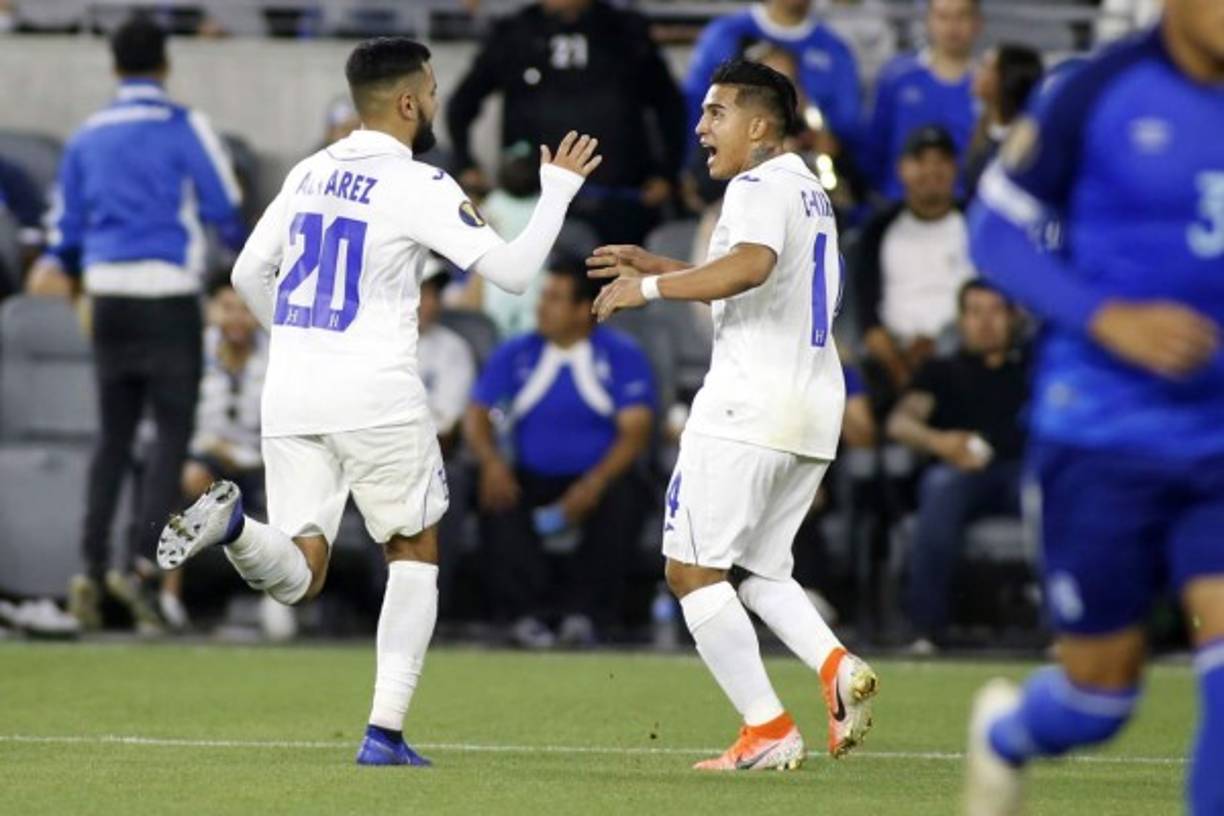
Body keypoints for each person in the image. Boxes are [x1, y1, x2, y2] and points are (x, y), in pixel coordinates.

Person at [155, 37, 602, 768]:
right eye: (428, 90)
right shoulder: (417, 183)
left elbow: (244, 271)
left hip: (292, 392)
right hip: (375, 395)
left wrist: (300, 339)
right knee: (414, 549)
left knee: (300, 574)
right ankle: (383, 733)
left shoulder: (308, 171)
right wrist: (556, 190)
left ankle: (235, 525)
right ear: (405, 102)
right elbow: (516, 271)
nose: (433, 101)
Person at [962, 3, 1224, 813]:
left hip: (1218, 439)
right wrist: (1110, 317)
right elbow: (996, 231)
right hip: (1102, 433)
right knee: (1100, 698)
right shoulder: (1096, 92)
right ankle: (1007, 735)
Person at [589, 58, 877, 770]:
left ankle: (767, 729)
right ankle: (836, 665)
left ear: (758, 125)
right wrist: (656, 264)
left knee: (691, 571)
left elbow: (748, 267)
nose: (701, 126)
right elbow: (755, 282)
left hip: (749, 403)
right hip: (810, 405)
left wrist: (648, 293)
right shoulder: (808, 189)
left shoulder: (754, 185)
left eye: (716, 113)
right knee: (758, 571)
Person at [26, 15, 246, 633]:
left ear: (115, 66)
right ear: (165, 64)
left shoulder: (87, 136)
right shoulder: (184, 126)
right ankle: (143, 568)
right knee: (170, 439)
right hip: (169, 294)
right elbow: (225, 209)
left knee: (113, 438)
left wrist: (70, 269)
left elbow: (62, 233)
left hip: (108, 298)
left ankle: (91, 568)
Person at [465, 257, 654, 648]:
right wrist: (491, 461)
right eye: (543, 296)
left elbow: (635, 432)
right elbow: (477, 413)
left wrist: (594, 483)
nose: (541, 307)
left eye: (554, 298)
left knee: (626, 494)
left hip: (597, 476)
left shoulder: (621, 354)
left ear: (584, 309)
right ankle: (524, 615)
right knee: (493, 492)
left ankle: (586, 616)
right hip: (531, 476)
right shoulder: (516, 352)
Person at [445, 0, 686, 245]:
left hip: (620, 200)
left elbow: (669, 106)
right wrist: (465, 165)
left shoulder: (625, 31)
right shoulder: (516, 33)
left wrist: (667, 173)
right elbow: (462, 103)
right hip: (532, 201)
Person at [886, 280, 1028, 653]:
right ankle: (925, 631)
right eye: (975, 311)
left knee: (1050, 490)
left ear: (1013, 318)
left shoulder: (1033, 369)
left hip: (1022, 472)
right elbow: (900, 422)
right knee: (940, 485)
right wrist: (941, 443)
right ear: (961, 319)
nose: (985, 322)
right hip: (962, 473)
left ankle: (1066, 632)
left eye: (996, 311)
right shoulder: (941, 370)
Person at [160, 272, 268, 631]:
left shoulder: (277, 352)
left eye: (245, 309)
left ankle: (276, 598)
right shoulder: (192, 351)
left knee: (290, 488)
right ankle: (169, 596)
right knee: (189, 477)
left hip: (261, 460)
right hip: (206, 455)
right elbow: (172, 415)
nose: (237, 318)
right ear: (211, 311)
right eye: (227, 308)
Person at [855, 126, 976, 400]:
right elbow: (867, 319)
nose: (931, 171)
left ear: (954, 168)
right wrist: (902, 374)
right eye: (920, 161)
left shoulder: (976, 225)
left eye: (941, 161)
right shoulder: (877, 230)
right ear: (902, 169)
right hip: (891, 364)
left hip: (965, 360)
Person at [683, 0, 862, 154]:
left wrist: (826, 142)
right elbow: (694, 109)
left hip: (809, 170)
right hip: (727, 173)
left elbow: (847, 127)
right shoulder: (724, 36)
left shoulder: (834, 49)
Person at [863, 0, 981, 200]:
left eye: (962, 16)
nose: (952, 26)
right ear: (928, 21)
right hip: (897, 206)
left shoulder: (989, 85)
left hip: (963, 210)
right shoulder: (897, 76)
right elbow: (875, 147)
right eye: (943, 16)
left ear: (977, 23)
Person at [963, 44, 1043, 200]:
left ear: (1008, 79)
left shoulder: (1031, 140)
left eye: (986, 67)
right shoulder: (982, 129)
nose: (976, 72)